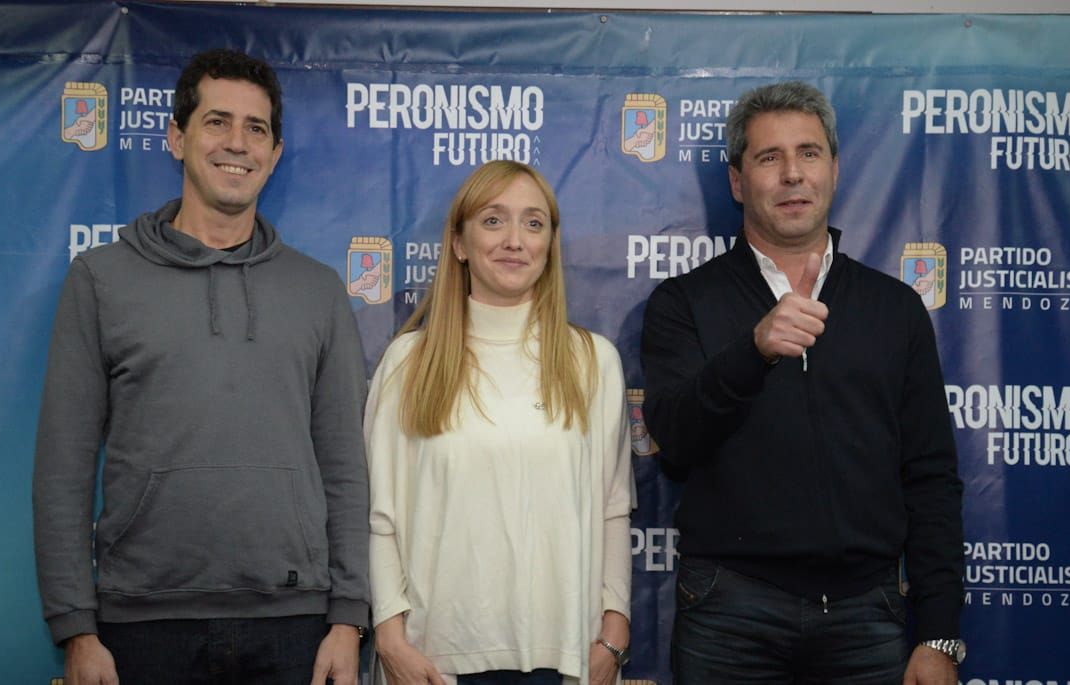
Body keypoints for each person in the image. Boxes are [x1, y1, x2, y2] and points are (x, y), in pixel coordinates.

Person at [32, 48, 370, 685]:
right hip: (141, 627)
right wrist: (76, 626)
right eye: (217, 122)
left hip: (296, 624)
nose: (237, 143)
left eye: (257, 128)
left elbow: (346, 468)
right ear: (176, 137)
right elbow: (62, 470)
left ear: (273, 153)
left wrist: (348, 619)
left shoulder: (318, 290)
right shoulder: (101, 280)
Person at [640, 81, 965, 684]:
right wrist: (754, 350)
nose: (793, 174)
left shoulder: (894, 308)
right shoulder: (683, 302)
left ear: (834, 170)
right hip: (728, 615)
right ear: (738, 181)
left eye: (808, 154)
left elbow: (931, 477)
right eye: (770, 158)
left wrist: (940, 631)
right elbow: (676, 443)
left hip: (868, 615)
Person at [365, 160, 633, 685]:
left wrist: (613, 635)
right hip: (436, 663)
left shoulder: (592, 361)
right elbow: (381, 517)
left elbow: (613, 510)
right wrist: (390, 637)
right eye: (493, 220)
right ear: (459, 242)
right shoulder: (408, 362)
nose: (515, 239)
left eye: (533, 223)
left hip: (565, 659)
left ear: (550, 244)